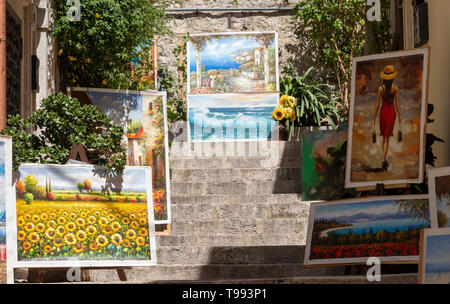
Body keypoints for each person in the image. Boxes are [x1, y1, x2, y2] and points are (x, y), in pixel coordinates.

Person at [373, 65, 401, 171]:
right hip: (391, 113)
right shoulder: (395, 89)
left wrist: (374, 116)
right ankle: (384, 159)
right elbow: (397, 105)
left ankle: (383, 159)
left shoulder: (381, 89)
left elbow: (377, 105)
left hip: (383, 113)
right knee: (387, 138)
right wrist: (400, 115)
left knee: (384, 137)